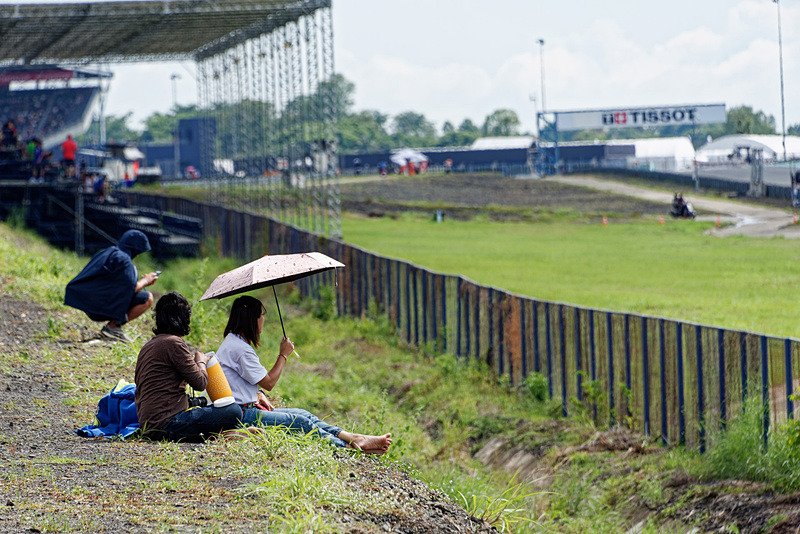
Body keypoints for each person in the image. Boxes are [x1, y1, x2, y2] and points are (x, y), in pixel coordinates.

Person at [215, 295, 393, 454]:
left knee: (304, 414)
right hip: (243, 415)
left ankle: (353, 437)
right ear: (252, 320)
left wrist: (257, 394)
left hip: (245, 407)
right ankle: (346, 448)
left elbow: (240, 381)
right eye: (262, 316)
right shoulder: (241, 350)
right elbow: (269, 382)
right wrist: (283, 354)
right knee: (300, 422)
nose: (263, 320)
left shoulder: (233, 342)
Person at [134, 292, 242, 442]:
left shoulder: (148, 345)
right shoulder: (174, 343)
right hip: (167, 425)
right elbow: (200, 383)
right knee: (233, 411)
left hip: (148, 426)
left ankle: (219, 435)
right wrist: (201, 362)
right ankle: (223, 435)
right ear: (184, 319)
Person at [64, 229, 158, 343]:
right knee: (147, 298)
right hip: (101, 308)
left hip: (87, 302)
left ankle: (112, 328)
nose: (138, 256)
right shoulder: (124, 261)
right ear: (135, 249)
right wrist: (146, 281)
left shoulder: (108, 252)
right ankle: (113, 328)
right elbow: (129, 289)